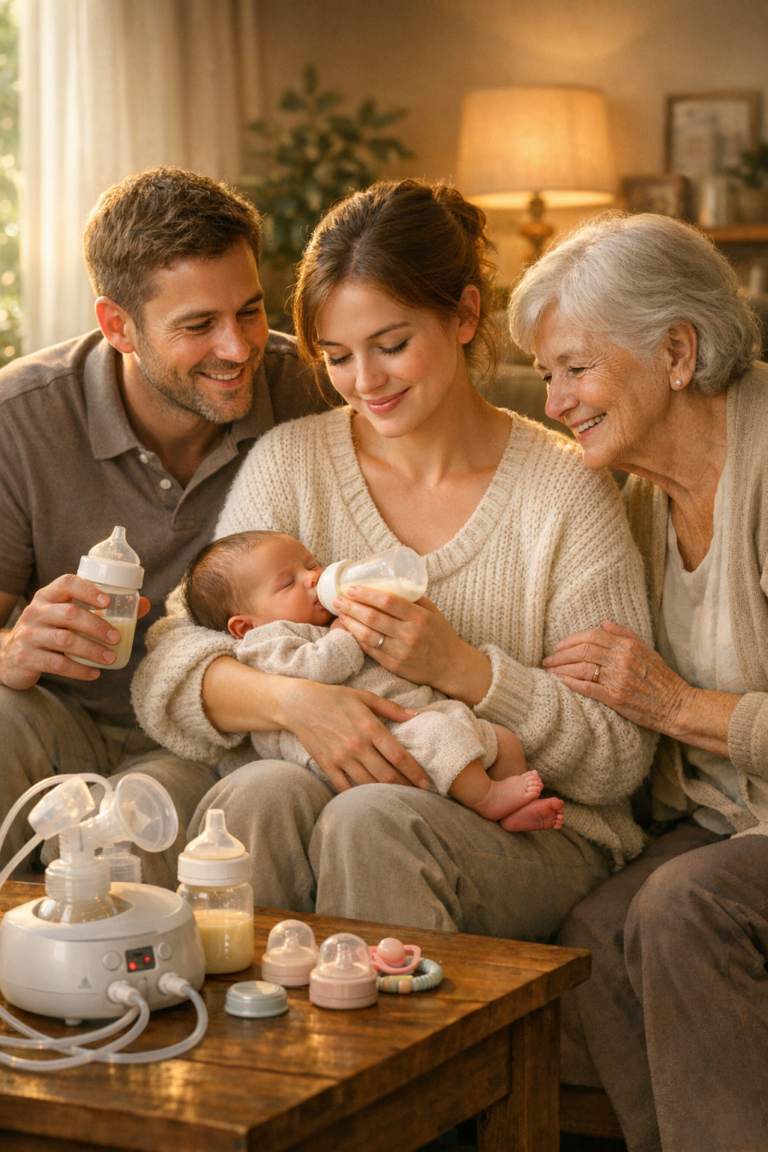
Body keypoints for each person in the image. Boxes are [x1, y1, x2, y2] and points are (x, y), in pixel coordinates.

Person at [134, 178, 656, 940]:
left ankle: (385, 1060)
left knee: (372, 821)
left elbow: (619, 755)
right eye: (339, 356)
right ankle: (252, 1052)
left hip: (532, 830)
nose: (365, 383)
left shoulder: (564, 492)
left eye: (392, 345)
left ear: (466, 314)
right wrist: (295, 705)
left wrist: (464, 670)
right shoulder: (293, 463)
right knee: (258, 793)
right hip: (327, 788)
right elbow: (169, 665)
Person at [508, 211, 768, 1152]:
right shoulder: (636, 499)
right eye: (546, 377)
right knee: (591, 935)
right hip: (722, 818)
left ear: (678, 352)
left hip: (738, 842)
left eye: (576, 367)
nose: (556, 401)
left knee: (682, 906)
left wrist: (678, 706)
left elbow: (661, 701)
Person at [0, 165, 329, 885]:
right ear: (118, 325)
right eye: (197, 325)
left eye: (248, 310)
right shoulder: (19, 418)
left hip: (212, 735)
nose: (239, 348)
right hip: (59, 721)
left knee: (138, 847)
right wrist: (13, 646)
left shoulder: (308, 391)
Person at [181, 528, 566, 830]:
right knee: (439, 736)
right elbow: (315, 668)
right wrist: (349, 632)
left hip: (417, 717)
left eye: (311, 565)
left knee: (503, 740)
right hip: (375, 741)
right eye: (288, 583)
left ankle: (510, 810)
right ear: (244, 624)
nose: (313, 579)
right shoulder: (266, 644)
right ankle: (487, 799)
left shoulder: (325, 620)